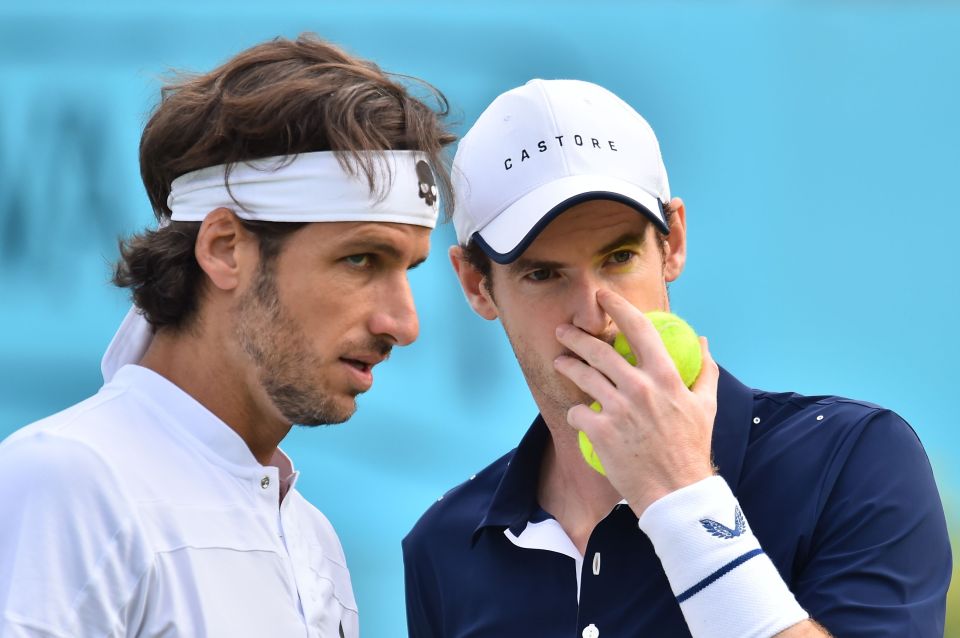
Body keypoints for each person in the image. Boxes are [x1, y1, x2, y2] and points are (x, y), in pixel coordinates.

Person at [402, 79, 951, 637]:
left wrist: (681, 497)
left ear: (674, 243)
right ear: (476, 285)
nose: (597, 317)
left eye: (618, 257)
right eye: (543, 274)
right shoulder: (442, 548)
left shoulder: (851, 460)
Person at [0, 34, 454, 636]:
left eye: (408, 270)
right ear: (223, 249)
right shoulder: (66, 483)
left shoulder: (314, 541)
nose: (403, 322)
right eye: (361, 259)